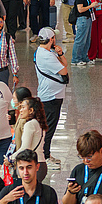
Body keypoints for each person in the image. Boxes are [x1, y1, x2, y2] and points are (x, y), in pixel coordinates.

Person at [34, 28, 68, 166]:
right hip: (50, 97)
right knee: (48, 129)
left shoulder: (46, 52)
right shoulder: (46, 55)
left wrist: (60, 53)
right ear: (51, 39)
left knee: (50, 127)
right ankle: (44, 157)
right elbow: (64, 70)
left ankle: (46, 154)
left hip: (53, 95)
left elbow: (64, 64)